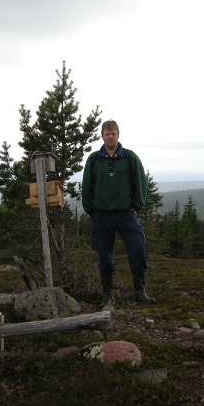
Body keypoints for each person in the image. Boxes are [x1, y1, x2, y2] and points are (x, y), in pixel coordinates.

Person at [82, 119, 156, 308]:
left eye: (113, 133)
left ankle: (140, 293)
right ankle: (108, 296)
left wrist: (137, 204)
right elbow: (87, 186)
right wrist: (90, 209)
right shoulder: (94, 159)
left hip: (125, 214)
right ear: (102, 136)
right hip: (101, 215)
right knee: (104, 254)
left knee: (138, 248)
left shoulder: (129, 158)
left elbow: (141, 182)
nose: (110, 137)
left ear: (118, 135)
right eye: (107, 134)